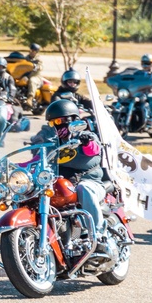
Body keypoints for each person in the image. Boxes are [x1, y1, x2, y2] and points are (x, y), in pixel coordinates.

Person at [42, 99, 106, 239]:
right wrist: (18, 168)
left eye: (58, 122)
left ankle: (98, 235)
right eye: (52, 123)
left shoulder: (86, 136)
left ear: (72, 120)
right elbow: (38, 160)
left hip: (90, 182)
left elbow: (93, 150)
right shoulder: (53, 144)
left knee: (84, 188)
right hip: (63, 185)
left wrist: (86, 142)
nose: (56, 127)